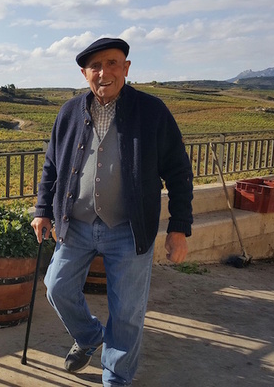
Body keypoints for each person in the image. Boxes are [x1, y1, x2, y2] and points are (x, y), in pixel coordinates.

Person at [31, 37, 193, 387]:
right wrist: (43, 209)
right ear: (84, 73)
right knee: (56, 286)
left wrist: (179, 227)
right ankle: (89, 336)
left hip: (128, 228)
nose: (104, 72)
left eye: (113, 63)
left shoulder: (152, 111)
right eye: (96, 66)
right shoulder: (70, 111)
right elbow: (52, 166)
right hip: (77, 224)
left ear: (126, 68)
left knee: (127, 313)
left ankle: (116, 378)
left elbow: (179, 171)